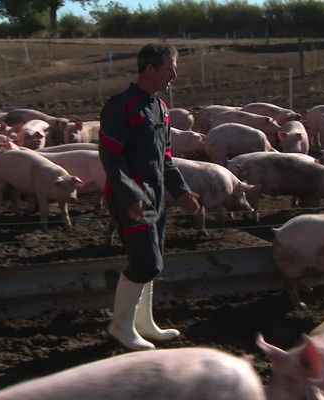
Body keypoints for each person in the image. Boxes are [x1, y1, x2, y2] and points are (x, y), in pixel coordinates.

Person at [99, 43, 200, 350]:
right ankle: (120, 326)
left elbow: (165, 158)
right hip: (133, 199)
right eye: (169, 68)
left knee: (154, 257)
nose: (174, 75)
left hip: (153, 199)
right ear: (149, 68)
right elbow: (112, 158)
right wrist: (129, 197)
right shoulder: (121, 106)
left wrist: (181, 191)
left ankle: (144, 323)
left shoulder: (161, 109)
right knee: (145, 260)